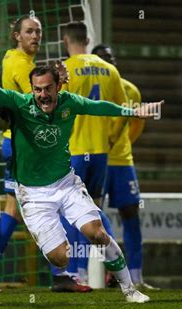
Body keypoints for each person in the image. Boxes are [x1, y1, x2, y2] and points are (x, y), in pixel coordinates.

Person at [0, 29, 163, 302]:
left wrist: (132, 111)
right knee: (60, 258)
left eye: (47, 89)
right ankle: (53, 243)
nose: (42, 95)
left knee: (98, 233)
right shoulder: (20, 104)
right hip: (33, 195)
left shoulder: (69, 103)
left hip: (66, 183)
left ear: (58, 87)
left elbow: (99, 106)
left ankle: (130, 289)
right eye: (37, 90)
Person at [0, 15, 90, 293]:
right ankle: (60, 274)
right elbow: (40, 107)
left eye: (38, 31)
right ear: (16, 35)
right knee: (47, 204)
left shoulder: (20, 61)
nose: (35, 36)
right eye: (29, 31)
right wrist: (61, 85)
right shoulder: (18, 63)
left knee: (14, 212)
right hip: (24, 147)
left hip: (24, 145)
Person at [58, 22, 127, 285]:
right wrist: (112, 136)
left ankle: (76, 271)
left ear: (66, 40)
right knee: (94, 212)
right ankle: (116, 264)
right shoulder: (109, 70)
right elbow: (124, 109)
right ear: (88, 39)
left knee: (71, 212)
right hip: (101, 152)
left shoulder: (65, 69)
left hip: (74, 151)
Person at [92, 43, 159, 290]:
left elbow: (136, 126)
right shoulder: (87, 88)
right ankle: (99, 273)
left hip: (121, 161)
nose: (108, 63)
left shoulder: (130, 90)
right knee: (90, 217)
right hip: (94, 158)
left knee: (131, 214)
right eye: (102, 59)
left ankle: (137, 277)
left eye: (111, 59)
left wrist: (121, 146)